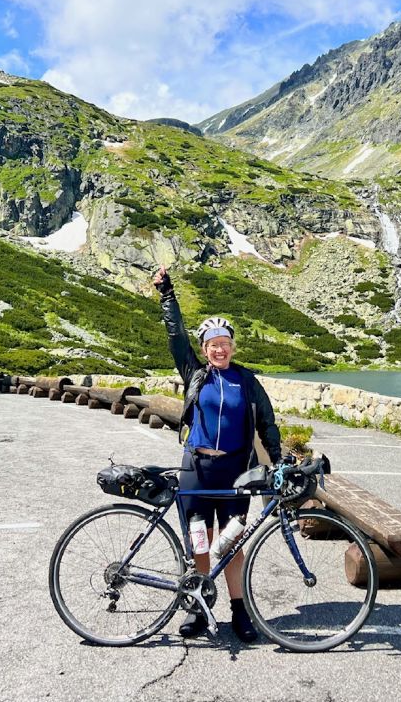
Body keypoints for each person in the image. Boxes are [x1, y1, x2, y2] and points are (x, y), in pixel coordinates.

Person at [153, 265, 282, 643]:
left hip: (235, 473)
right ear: (205, 349)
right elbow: (176, 336)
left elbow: (267, 423)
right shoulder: (196, 373)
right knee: (199, 539)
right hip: (197, 468)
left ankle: (239, 610)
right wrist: (167, 296)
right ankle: (197, 606)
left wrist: (277, 461)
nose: (219, 348)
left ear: (232, 347)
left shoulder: (246, 380)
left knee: (231, 543)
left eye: (224, 342)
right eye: (212, 344)